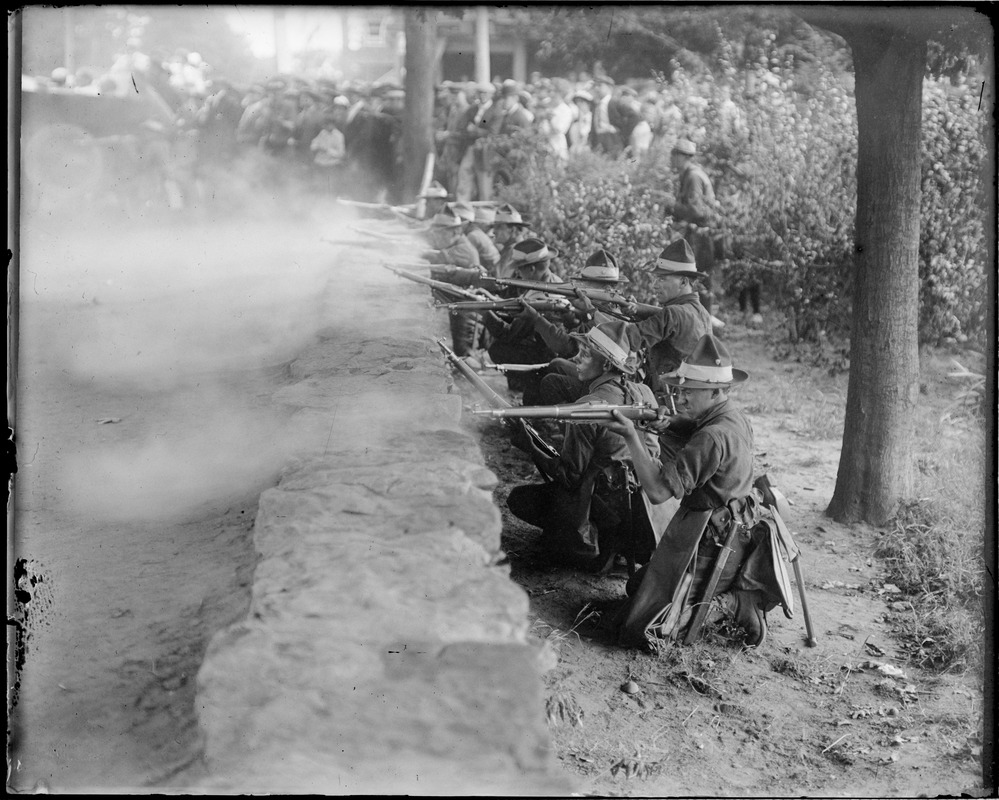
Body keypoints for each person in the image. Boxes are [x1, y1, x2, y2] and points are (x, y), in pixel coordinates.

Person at [600, 334, 783, 648]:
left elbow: (657, 492)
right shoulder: (732, 416)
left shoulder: (711, 437)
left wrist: (632, 436)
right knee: (637, 586)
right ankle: (723, 597)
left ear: (715, 391)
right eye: (679, 391)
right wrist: (668, 424)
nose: (680, 399)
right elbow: (695, 425)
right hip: (732, 531)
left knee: (638, 629)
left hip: (713, 545)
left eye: (688, 392)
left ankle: (737, 605)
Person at [507, 321, 663, 572]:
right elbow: (653, 454)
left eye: (585, 354)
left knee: (520, 499)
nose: (576, 358)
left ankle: (585, 547)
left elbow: (570, 476)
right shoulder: (644, 393)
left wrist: (529, 446)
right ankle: (615, 545)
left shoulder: (589, 406)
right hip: (640, 513)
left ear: (606, 365)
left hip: (601, 509)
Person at [626, 238, 714, 398]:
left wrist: (592, 312)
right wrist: (636, 309)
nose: (654, 285)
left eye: (662, 279)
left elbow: (629, 338)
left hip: (667, 402)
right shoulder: (702, 313)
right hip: (694, 399)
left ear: (683, 282)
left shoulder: (673, 314)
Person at [669, 138, 720, 314]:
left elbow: (697, 211)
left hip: (702, 235)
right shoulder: (688, 175)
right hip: (698, 234)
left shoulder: (693, 176)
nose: (672, 158)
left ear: (683, 157)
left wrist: (671, 205)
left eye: (675, 154)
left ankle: (704, 322)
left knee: (700, 277)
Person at [491, 203, 531, 279]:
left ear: (513, 230)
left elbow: (500, 283)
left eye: (499, 227)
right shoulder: (511, 249)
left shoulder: (515, 251)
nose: (493, 231)